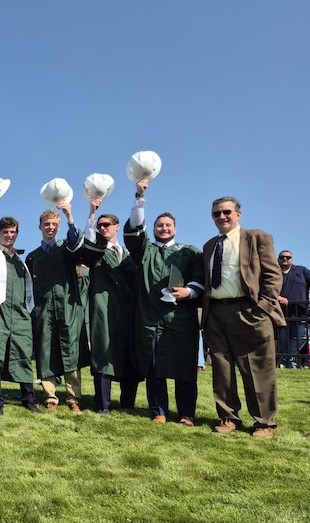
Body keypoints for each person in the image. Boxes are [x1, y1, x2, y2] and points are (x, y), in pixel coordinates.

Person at [202, 196, 285, 439]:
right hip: (216, 312)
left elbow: (272, 275)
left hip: (249, 311)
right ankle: (228, 417)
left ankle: (264, 422)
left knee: (257, 368)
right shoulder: (209, 245)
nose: (222, 217)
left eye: (226, 212)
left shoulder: (257, 237)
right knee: (222, 368)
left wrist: (264, 306)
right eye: (216, 213)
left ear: (238, 214)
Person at [124, 180, 204, 426]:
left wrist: (188, 292)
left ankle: (186, 414)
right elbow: (135, 229)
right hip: (150, 318)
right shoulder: (144, 250)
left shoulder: (189, 252)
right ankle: (159, 411)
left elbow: (200, 280)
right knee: (154, 367)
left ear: (175, 229)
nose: (164, 228)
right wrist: (139, 198)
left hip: (181, 319)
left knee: (185, 368)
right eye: (159, 225)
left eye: (168, 225)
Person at [24, 202, 96, 412]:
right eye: (47, 224)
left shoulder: (66, 249)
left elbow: (76, 242)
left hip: (67, 306)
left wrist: (69, 215)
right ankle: (50, 397)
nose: (51, 227)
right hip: (43, 309)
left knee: (70, 351)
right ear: (40, 227)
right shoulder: (32, 257)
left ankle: (74, 398)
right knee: (45, 351)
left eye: (55, 224)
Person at [0, 213, 39, 416]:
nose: (9, 235)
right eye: (5, 232)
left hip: (19, 315)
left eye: (13, 232)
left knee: (22, 355)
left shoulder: (20, 262)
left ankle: (29, 399)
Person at [83, 205, 139, 415]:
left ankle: (127, 403)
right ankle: (103, 405)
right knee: (103, 354)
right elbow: (88, 240)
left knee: (128, 355)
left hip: (128, 311)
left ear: (116, 226)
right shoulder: (95, 252)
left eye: (106, 225)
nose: (102, 228)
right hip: (103, 309)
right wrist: (91, 214)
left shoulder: (129, 254)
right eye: (99, 226)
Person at [275, 250, 310, 369]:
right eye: (282, 257)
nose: (285, 259)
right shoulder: (273, 272)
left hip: (301, 311)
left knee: (302, 336)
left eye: (288, 257)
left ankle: (288, 359)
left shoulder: (301, 270)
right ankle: (287, 363)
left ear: (292, 259)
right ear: (278, 259)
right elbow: (265, 288)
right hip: (280, 312)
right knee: (283, 338)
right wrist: (278, 297)